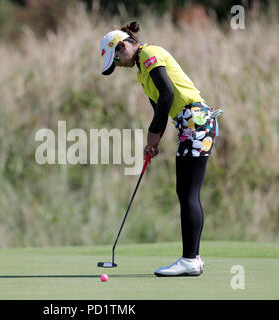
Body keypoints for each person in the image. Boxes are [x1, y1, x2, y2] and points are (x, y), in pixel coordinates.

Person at [99, 21, 222, 276]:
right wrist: (152, 143)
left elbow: (167, 94)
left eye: (117, 59)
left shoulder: (148, 54)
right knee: (185, 191)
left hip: (195, 120)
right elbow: (160, 109)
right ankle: (193, 259)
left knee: (188, 193)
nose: (119, 65)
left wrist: (153, 135)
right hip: (189, 123)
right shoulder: (142, 71)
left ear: (123, 46)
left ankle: (190, 260)